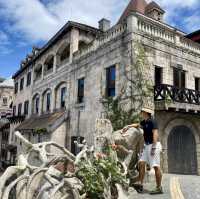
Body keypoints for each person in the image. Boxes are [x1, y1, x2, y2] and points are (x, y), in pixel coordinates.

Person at [122, 107, 163, 194]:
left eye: (142, 112)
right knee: (141, 163)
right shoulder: (144, 122)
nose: (141, 113)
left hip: (153, 145)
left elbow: (155, 133)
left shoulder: (152, 121)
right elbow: (137, 125)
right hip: (147, 145)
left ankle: (159, 188)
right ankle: (140, 184)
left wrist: (154, 147)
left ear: (146, 113)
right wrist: (128, 126)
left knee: (156, 166)